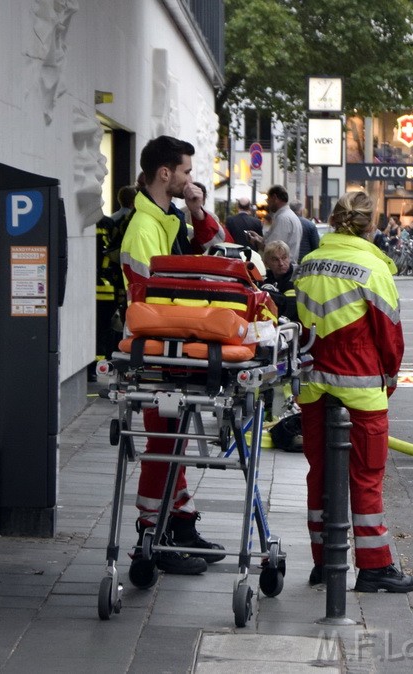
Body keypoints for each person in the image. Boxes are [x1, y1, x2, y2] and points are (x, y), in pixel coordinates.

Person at [294, 190, 413, 593]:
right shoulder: (371, 266)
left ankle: (324, 561)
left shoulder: (308, 264)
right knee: (365, 476)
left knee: (320, 475)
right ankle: (374, 566)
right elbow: (389, 335)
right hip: (361, 386)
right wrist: (391, 376)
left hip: (314, 385)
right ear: (370, 224)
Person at [120, 135, 229, 575]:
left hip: (175, 351)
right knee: (164, 445)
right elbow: (158, 303)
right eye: (185, 172)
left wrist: (198, 210)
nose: (190, 179)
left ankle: (180, 524)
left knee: (174, 439)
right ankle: (153, 536)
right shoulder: (146, 229)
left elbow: (213, 247)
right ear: (165, 174)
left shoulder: (167, 219)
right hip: (160, 355)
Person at [95, 185, 136, 365]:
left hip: (96, 285)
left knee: (97, 327)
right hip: (109, 286)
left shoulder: (112, 220)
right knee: (105, 327)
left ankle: (96, 363)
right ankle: (102, 360)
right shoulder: (112, 224)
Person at [240, 185, 302, 260]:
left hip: (280, 267)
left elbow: (273, 249)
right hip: (285, 265)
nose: (267, 203)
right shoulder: (289, 216)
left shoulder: (283, 218)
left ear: (274, 198)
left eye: (268, 199)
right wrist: (259, 238)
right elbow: (275, 241)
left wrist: (256, 242)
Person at [260, 240, 298, 322]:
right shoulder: (264, 280)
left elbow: (291, 307)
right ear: (266, 263)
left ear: (289, 258)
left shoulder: (296, 278)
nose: (281, 263)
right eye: (275, 259)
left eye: (284, 258)